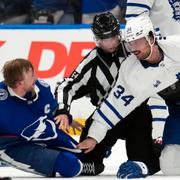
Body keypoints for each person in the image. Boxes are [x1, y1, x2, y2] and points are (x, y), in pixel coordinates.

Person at [55, 12, 161, 178]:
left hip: (137, 115)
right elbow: (66, 86)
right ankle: (101, 152)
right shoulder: (91, 62)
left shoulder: (133, 49)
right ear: (97, 39)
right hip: (104, 117)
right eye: (104, 39)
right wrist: (62, 110)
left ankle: (154, 148)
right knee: (86, 163)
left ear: (119, 34)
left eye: (113, 37)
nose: (110, 43)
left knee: (141, 164)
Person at [77, 15, 180, 178]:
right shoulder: (131, 72)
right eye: (130, 42)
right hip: (178, 114)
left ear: (151, 37)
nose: (132, 48)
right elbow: (111, 107)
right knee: (170, 166)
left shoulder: (176, 46)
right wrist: (93, 137)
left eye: (137, 41)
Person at [0, 58, 104, 177]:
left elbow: (53, 109)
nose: (36, 77)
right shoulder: (2, 104)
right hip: (12, 146)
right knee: (71, 166)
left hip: (39, 136)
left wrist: (68, 119)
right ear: (19, 83)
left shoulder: (41, 88)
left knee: (91, 154)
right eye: (32, 75)